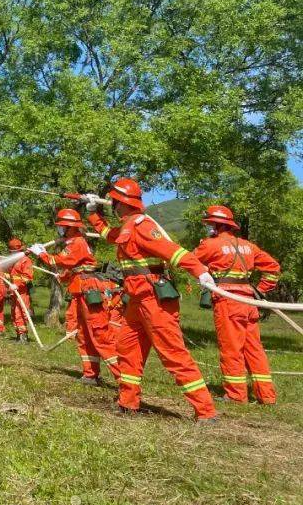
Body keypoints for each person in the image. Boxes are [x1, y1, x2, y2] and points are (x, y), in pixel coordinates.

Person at [78, 179, 218, 423]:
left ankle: (206, 412)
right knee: (127, 349)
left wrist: (200, 271)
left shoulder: (143, 225)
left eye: (114, 202)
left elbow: (172, 251)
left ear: (120, 202)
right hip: (135, 300)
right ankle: (127, 402)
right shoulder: (127, 227)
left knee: (173, 354)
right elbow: (109, 235)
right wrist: (92, 213)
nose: (112, 205)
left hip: (154, 300)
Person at [192, 205, 281, 404]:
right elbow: (273, 268)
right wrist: (261, 290)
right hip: (248, 301)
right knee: (254, 349)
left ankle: (235, 395)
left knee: (231, 348)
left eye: (210, 224)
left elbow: (188, 261)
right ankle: (266, 395)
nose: (208, 228)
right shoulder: (249, 246)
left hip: (228, 300)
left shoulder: (210, 244)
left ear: (216, 225)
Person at [31, 209, 120, 384]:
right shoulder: (74, 242)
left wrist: (41, 253)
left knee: (99, 334)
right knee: (84, 334)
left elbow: (60, 261)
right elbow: (76, 267)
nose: (60, 230)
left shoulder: (77, 242)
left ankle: (124, 380)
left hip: (89, 290)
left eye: (61, 227)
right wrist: (63, 276)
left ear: (69, 227)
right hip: (81, 289)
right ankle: (90, 374)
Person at [6, 238, 34, 343]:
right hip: (13, 291)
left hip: (21, 291)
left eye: (13, 252)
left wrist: (17, 285)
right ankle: (18, 336)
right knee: (14, 313)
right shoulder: (13, 261)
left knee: (20, 313)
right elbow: (10, 275)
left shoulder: (26, 260)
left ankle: (23, 337)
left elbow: (28, 277)